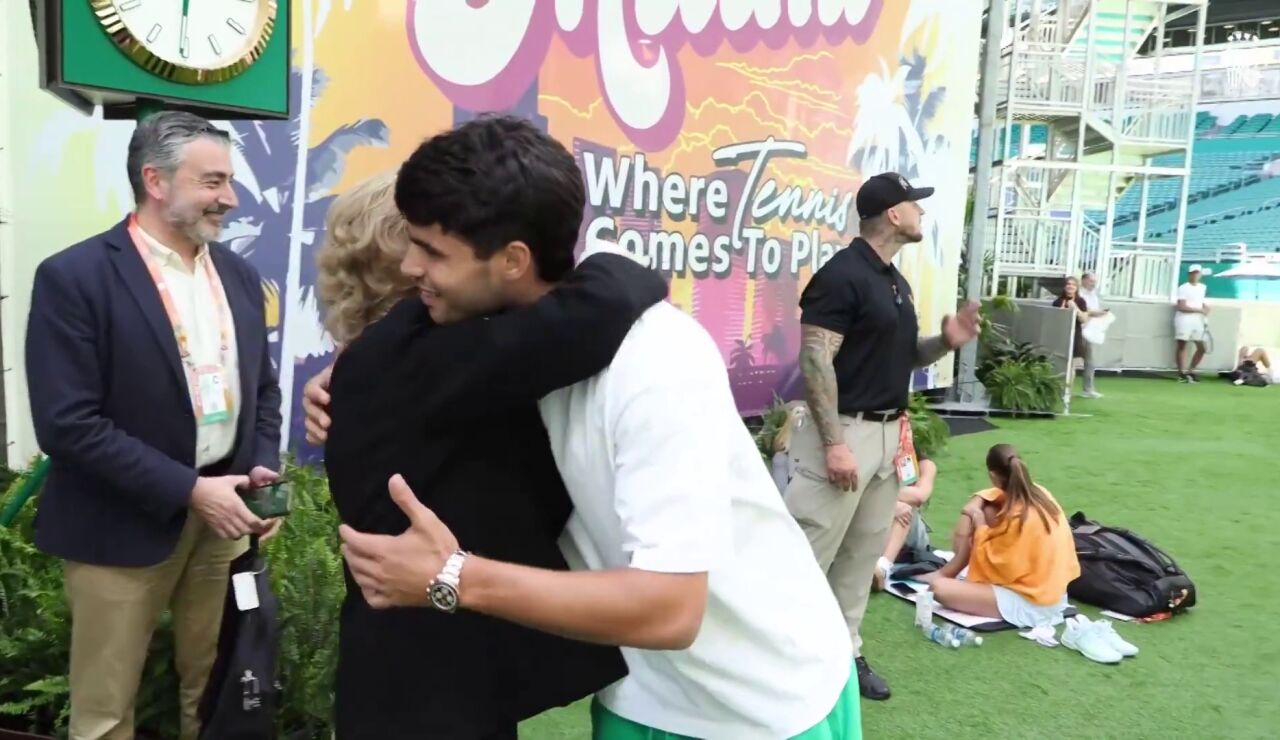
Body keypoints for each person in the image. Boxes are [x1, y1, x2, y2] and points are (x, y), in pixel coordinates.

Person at [311, 115, 859, 739]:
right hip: (639, 693)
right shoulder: (474, 357)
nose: (411, 268)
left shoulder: (649, 360)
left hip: (760, 701)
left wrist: (454, 575)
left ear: (512, 260)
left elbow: (671, 609)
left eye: (432, 251)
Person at [314, 170, 639, 739]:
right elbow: (602, 304)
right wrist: (612, 256)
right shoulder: (426, 360)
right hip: (429, 682)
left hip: (418, 664)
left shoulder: (381, 363)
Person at [24, 111, 283, 740]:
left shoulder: (240, 278)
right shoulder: (75, 278)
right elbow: (68, 425)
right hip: (119, 525)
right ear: (155, 180)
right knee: (106, 710)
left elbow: (265, 391)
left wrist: (260, 471)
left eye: (229, 181)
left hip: (224, 517)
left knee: (217, 687)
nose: (230, 198)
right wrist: (189, 490)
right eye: (213, 182)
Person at [784, 171, 981, 700]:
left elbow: (903, 355)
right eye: (915, 204)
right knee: (805, 556)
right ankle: (774, 663)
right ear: (893, 214)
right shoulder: (841, 275)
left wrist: (945, 340)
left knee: (860, 555)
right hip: (842, 434)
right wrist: (833, 444)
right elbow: (815, 357)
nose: (921, 212)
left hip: (887, 436)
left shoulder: (894, 279)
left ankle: (843, 655)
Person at [918, 444, 1078, 629]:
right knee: (989, 509)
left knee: (939, 589)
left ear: (993, 475)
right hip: (1054, 592)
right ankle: (948, 572)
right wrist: (977, 501)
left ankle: (947, 574)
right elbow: (992, 495)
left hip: (1033, 602)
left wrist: (979, 524)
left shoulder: (1020, 517)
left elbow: (999, 564)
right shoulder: (1040, 492)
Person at [871, 455, 938, 591]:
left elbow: (919, 496)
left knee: (906, 507)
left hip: (911, 538)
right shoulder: (873, 461)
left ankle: (884, 567)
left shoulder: (925, 464)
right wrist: (888, 504)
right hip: (878, 524)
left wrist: (885, 500)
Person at [1052, 276, 1103, 399]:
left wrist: (1075, 308)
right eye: (1068, 284)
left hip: (1075, 335)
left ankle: (1067, 391)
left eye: (1073, 285)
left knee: (1072, 365)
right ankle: (1057, 389)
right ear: (1064, 286)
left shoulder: (1080, 301)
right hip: (1060, 335)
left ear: (1076, 287)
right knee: (1059, 364)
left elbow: (1083, 318)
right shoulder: (1057, 301)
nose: (1070, 286)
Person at [1174, 265, 1210, 383]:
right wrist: (1199, 310)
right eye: (1193, 273)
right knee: (1182, 346)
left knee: (1202, 348)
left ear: (1200, 274)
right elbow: (1181, 306)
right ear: (1189, 274)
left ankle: (1191, 371)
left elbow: (1205, 304)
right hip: (1184, 319)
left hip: (1198, 321)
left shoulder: (1203, 288)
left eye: (1197, 273)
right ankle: (1181, 373)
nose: (1195, 275)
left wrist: (1205, 311)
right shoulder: (1183, 288)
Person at [1076, 272, 1109, 397]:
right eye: (1091, 281)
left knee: (1090, 360)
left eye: (1095, 281)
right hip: (1079, 329)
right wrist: (1097, 312)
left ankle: (1088, 389)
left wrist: (1100, 313)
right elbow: (1086, 310)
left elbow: (1093, 310)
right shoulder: (1079, 294)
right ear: (1083, 280)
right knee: (1072, 360)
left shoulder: (1094, 295)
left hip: (1089, 330)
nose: (1094, 284)